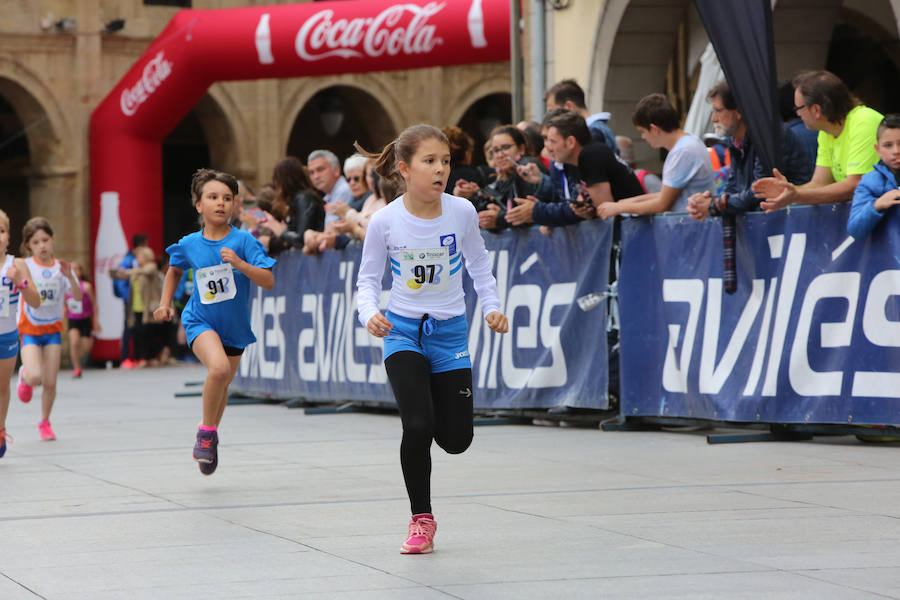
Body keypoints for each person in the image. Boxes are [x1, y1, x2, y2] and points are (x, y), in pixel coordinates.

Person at [356, 124, 509, 554]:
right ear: (404, 169)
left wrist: (492, 306)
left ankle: (440, 412)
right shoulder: (385, 220)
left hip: (449, 333)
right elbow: (367, 280)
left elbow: (479, 265)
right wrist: (370, 313)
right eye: (430, 161)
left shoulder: (461, 211)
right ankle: (421, 519)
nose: (440, 169)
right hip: (402, 331)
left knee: (457, 441)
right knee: (417, 425)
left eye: (445, 160)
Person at [154, 169, 275, 475]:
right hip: (199, 320)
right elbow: (174, 270)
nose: (220, 203)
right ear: (199, 205)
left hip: (234, 327)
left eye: (227, 198)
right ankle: (206, 433)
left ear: (235, 205)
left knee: (222, 383)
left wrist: (240, 264)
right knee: (218, 369)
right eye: (212, 197)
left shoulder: (244, 241)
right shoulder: (190, 243)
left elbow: (269, 280)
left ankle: (210, 433)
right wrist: (164, 303)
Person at [752, 70, 882, 212]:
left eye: (798, 108)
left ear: (816, 109)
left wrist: (796, 196)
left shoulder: (863, 121)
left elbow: (855, 185)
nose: (797, 113)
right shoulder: (825, 132)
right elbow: (819, 183)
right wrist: (789, 190)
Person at [687, 81, 813, 220]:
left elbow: (759, 192)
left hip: (789, 221)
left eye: (718, 110)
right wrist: (712, 202)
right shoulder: (734, 141)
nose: (713, 119)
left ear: (739, 111)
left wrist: (715, 204)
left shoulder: (768, 136)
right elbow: (735, 187)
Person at [513, 111, 644, 226]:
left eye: (552, 141)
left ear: (570, 142)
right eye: (545, 140)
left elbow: (606, 211)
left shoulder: (590, 156)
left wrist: (540, 211)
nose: (547, 147)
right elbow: (593, 210)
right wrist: (584, 212)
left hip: (636, 227)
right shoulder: (574, 161)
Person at [16, 217, 83, 441]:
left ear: (53, 239)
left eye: (45, 240)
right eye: (36, 242)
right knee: (36, 376)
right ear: (28, 246)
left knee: (50, 381)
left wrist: (70, 278)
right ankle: (25, 377)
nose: (42, 245)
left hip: (53, 330)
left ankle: (44, 422)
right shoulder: (25, 266)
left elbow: (77, 296)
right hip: (30, 329)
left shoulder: (61, 267)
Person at [597, 93, 714, 219]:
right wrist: (625, 203)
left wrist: (620, 207)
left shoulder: (682, 152)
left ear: (654, 129)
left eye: (642, 131)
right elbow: (666, 195)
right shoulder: (689, 142)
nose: (643, 137)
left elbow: (662, 204)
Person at [0, 210, 40, 456]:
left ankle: (0, 428)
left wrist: (20, 283)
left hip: (7, 335)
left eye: (2, 231)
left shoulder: (17, 265)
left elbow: (35, 301)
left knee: (2, 386)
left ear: (8, 236)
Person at [469, 125, 545, 231]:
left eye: (506, 147)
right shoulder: (504, 176)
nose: (500, 155)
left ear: (521, 149)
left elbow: (529, 214)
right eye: (495, 150)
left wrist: (499, 218)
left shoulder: (528, 166)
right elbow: (494, 210)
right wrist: (470, 196)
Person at [848, 114, 900, 239]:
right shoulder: (869, 182)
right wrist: (877, 205)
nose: (896, 151)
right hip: (890, 257)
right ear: (878, 149)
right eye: (888, 145)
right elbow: (854, 229)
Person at [544, 78, 617, 152]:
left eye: (553, 111)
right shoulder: (596, 128)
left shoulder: (593, 131)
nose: (551, 118)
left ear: (569, 106)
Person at [115, 233, 148, 368]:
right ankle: (125, 358)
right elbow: (120, 279)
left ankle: (137, 357)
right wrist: (126, 296)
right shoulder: (128, 260)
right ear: (140, 245)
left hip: (139, 300)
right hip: (130, 300)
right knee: (128, 328)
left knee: (138, 330)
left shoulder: (140, 260)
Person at [64, 261, 98, 378]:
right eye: (71, 270)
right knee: (74, 343)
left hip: (85, 319)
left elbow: (94, 304)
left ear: (81, 272)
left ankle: (92, 338)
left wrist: (95, 321)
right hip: (73, 319)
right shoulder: (65, 287)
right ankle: (77, 368)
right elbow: (64, 305)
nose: (74, 272)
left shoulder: (86, 286)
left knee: (85, 347)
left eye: (76, 269)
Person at [308, 149, 353, 225]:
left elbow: (334, 232)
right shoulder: (331, 193)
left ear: (336, 171)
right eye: (311, 172)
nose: (316, 176)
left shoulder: (344, 191)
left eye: (320, 169)